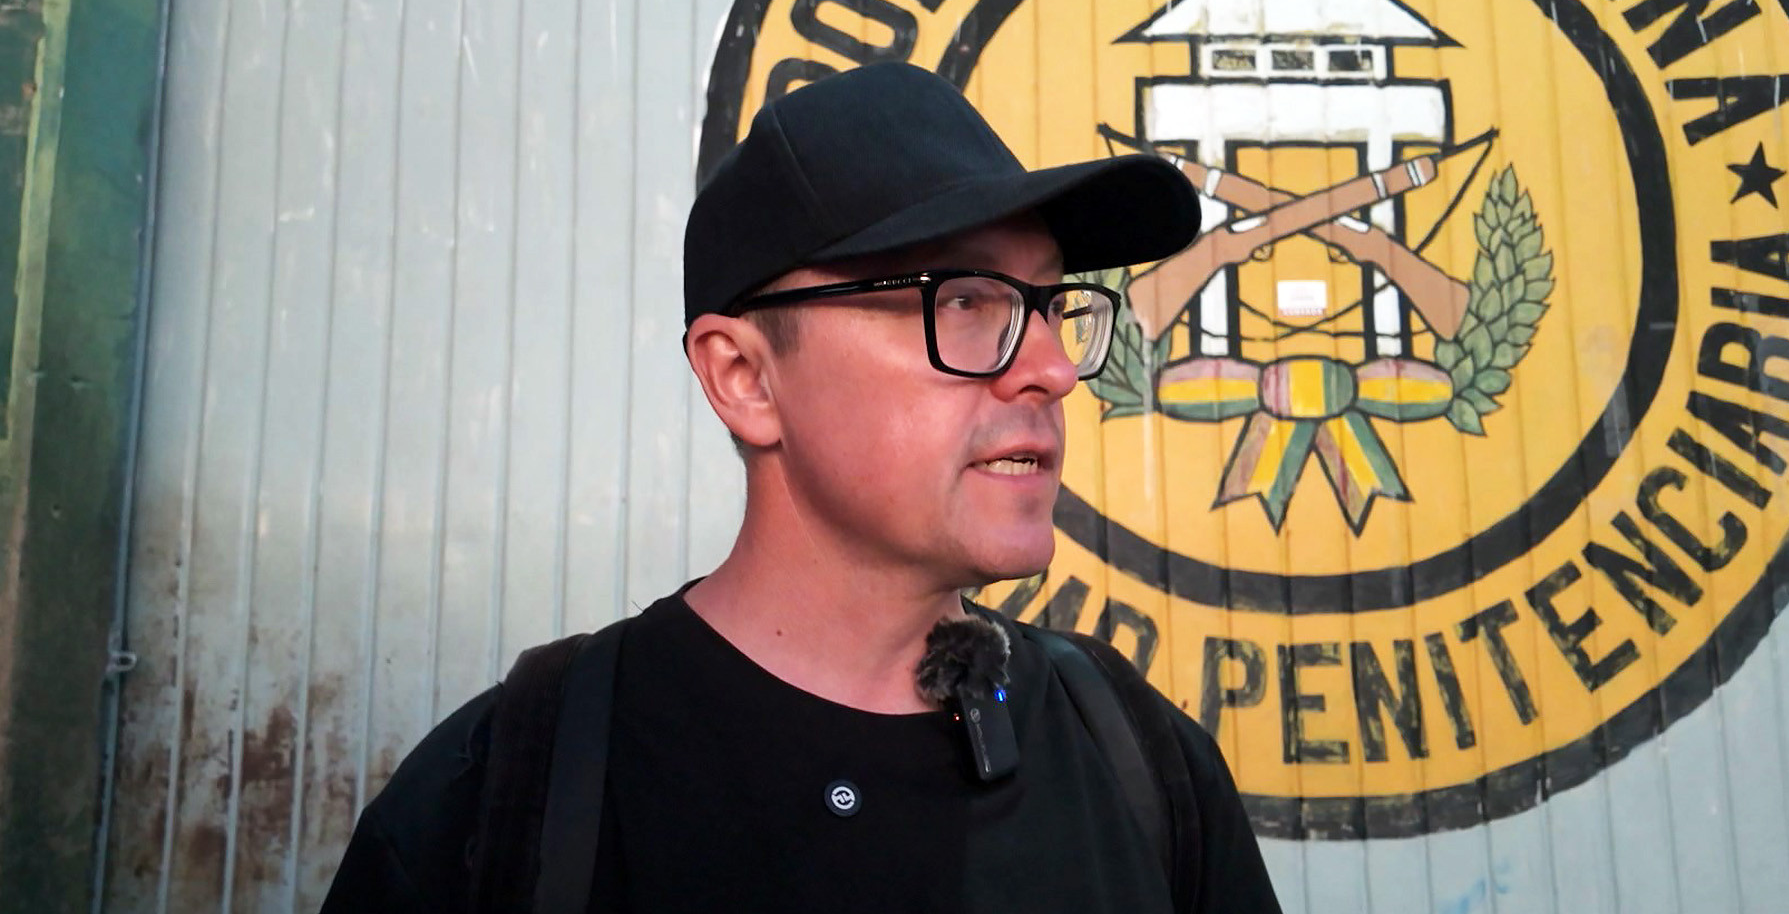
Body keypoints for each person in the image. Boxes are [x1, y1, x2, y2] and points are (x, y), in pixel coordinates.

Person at [320, 62, 1284, 913]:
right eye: (963, 300)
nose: (1053, 370)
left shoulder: (1139, 761)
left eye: (1050, 308)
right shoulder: (508, 797)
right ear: (746, 377)